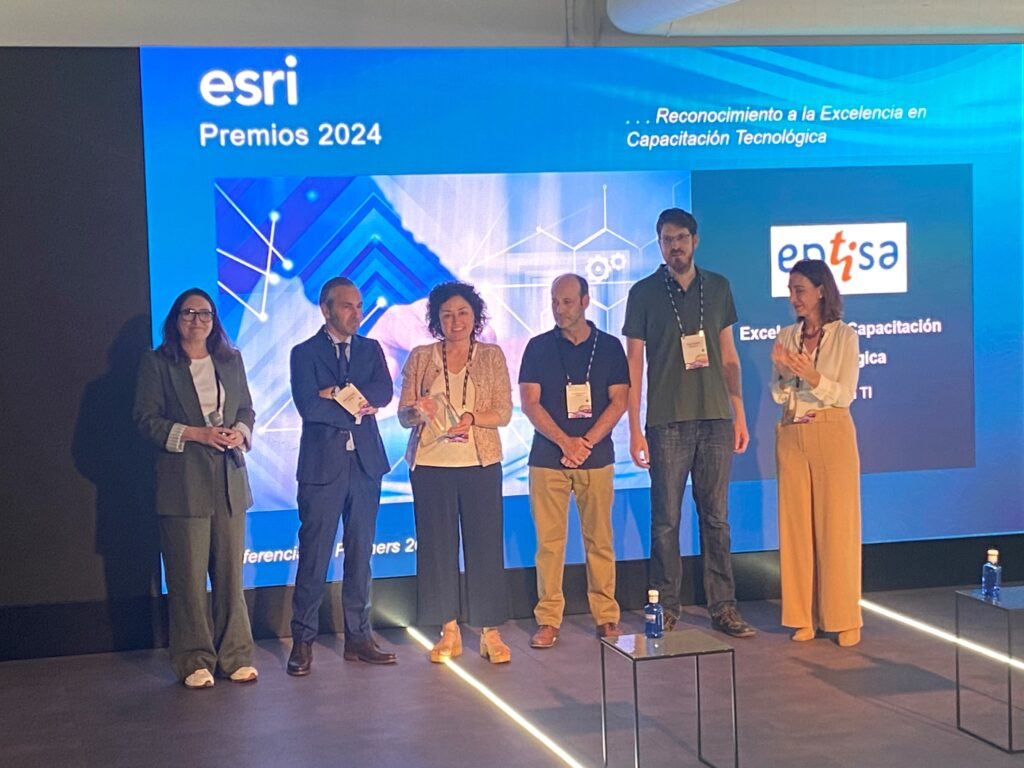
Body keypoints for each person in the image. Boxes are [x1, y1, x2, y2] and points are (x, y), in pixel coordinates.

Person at [622, 208, 756, 638]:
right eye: (666, 239)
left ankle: (723, 607)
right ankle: (666, 606)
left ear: (695, 240)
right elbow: (633, 364)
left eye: (681, 237)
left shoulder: (718, 287)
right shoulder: (643, 293)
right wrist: (633, 428)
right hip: (666, 423)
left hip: (716, 418)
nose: (674, 246)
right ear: (659, 244)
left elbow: (729, 356)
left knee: (716, 519)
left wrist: (739, 413)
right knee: (665, 521)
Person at [134, 287, 258, 688]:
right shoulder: (157, 363)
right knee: (187, 579)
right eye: (188, 313)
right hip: (182, 484)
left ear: (214, 320)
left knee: (230, 577)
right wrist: (195, 434)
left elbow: (246, 409)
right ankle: (194, 660)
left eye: (204, 313)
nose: (197, 320)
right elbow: (146, 420)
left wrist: (239, 433)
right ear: (176, 319)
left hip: (229, 481)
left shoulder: (231, 360)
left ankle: (235, 656)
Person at [398, 281, 513, 663]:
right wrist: (419, 410)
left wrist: (471, 418)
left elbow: (503, 412)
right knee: (437, 549)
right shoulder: (421, 356)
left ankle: (490, 632)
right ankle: (448, 630)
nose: (455, 321)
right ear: (437, 320)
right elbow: (403, 416)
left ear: (475, 316)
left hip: (480, 464)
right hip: (431, 466)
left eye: (463, 312)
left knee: (485, 546)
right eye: (446, 315)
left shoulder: (491, 356)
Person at [287, 277, 396, 674]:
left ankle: (359, 638)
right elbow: (308, 406)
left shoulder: (371, 348)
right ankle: (302, 641)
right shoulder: (304, 353)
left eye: (359, 306)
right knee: (314, 556)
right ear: (326, 309)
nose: (356, 313)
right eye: (348, 306)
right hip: (321, 468)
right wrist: (350, 403)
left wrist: (333, 392)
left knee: (361, 554)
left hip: (366, 465)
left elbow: (382, 393)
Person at [519, 274, 629, 648]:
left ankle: (607, 616)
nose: (559, 309)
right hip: (547, 459)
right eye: (554, 301)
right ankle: (548, 619)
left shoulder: (610, 347)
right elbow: (530, 402)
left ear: (585, 301)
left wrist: (585, 443)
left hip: (596, 459)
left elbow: (619, 401)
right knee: (549, 544)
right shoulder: (538, 347)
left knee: (600, 540)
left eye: (566, 301)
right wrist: (565, 442)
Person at [771, 259, 862, 647]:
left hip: (832, 430)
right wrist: (785, 373)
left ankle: (843, 617)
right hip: (792, 432)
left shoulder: (845, 337)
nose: (794, 298)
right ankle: (802, 616)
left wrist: (811, 376)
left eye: (800, 290)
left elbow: (845, 394)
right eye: (791, 291)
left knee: (836, 528)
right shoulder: (786, 336)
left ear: (821, 291)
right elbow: (779, 394)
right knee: (795, 529)